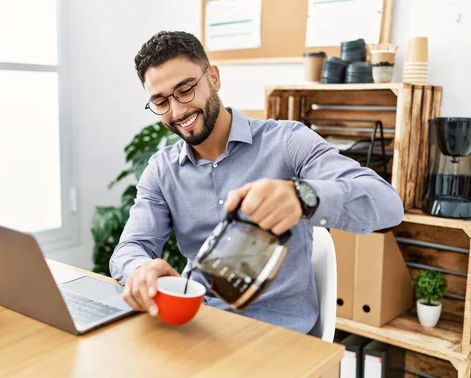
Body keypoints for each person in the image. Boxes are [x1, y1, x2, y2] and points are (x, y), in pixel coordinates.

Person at [110, 31, 404, 334]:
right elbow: (131, 247)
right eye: (161, 101)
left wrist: (303, 196)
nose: (177, 111)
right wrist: (141, 269)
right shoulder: (162, 170)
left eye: (185, 90)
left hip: (275, 337)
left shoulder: (287, 142)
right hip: (197, 326)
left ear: (213, 78)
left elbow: (388, 204)